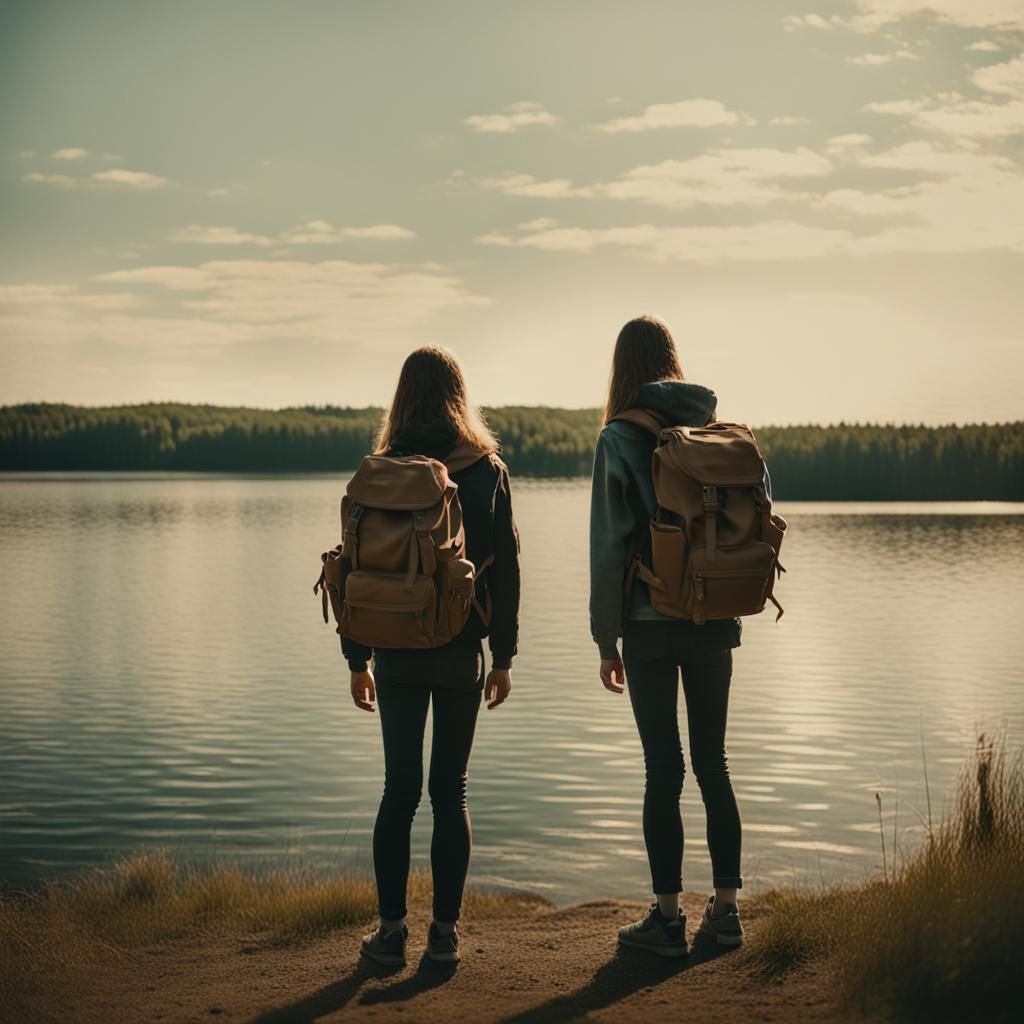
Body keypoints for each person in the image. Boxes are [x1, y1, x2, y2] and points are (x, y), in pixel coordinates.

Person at [344, 346, 521, 968]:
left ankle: (391, 934)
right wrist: (503, 656)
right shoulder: (486, 468)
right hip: (458, 652)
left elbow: (354, 567)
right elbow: (508, 570)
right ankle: (443, 937)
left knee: (399, 792)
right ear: (459, 395)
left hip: (393, 652)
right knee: (451, 793)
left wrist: (356, 660)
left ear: (403, 396)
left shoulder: (380, 470)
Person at [590, 315, 744, 957]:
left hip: (650, 626)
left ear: (622, 368)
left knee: (664, 770)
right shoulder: (716, 432)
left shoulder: (620, 436)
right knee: (714, 764)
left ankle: (667, 920)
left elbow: (608, 544)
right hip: (715, 619)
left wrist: (606, 639)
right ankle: (729, 913)